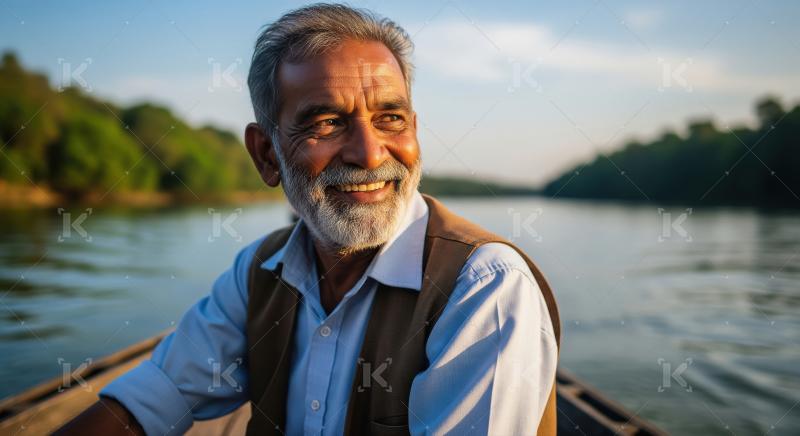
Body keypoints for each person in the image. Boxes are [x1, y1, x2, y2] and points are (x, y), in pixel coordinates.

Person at [56, 3, 560, 435]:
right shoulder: (259, 271)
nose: (369, 153)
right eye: (327, 123)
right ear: (267, 155)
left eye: (391, 118)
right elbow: (149, 403)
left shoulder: (484, 287)